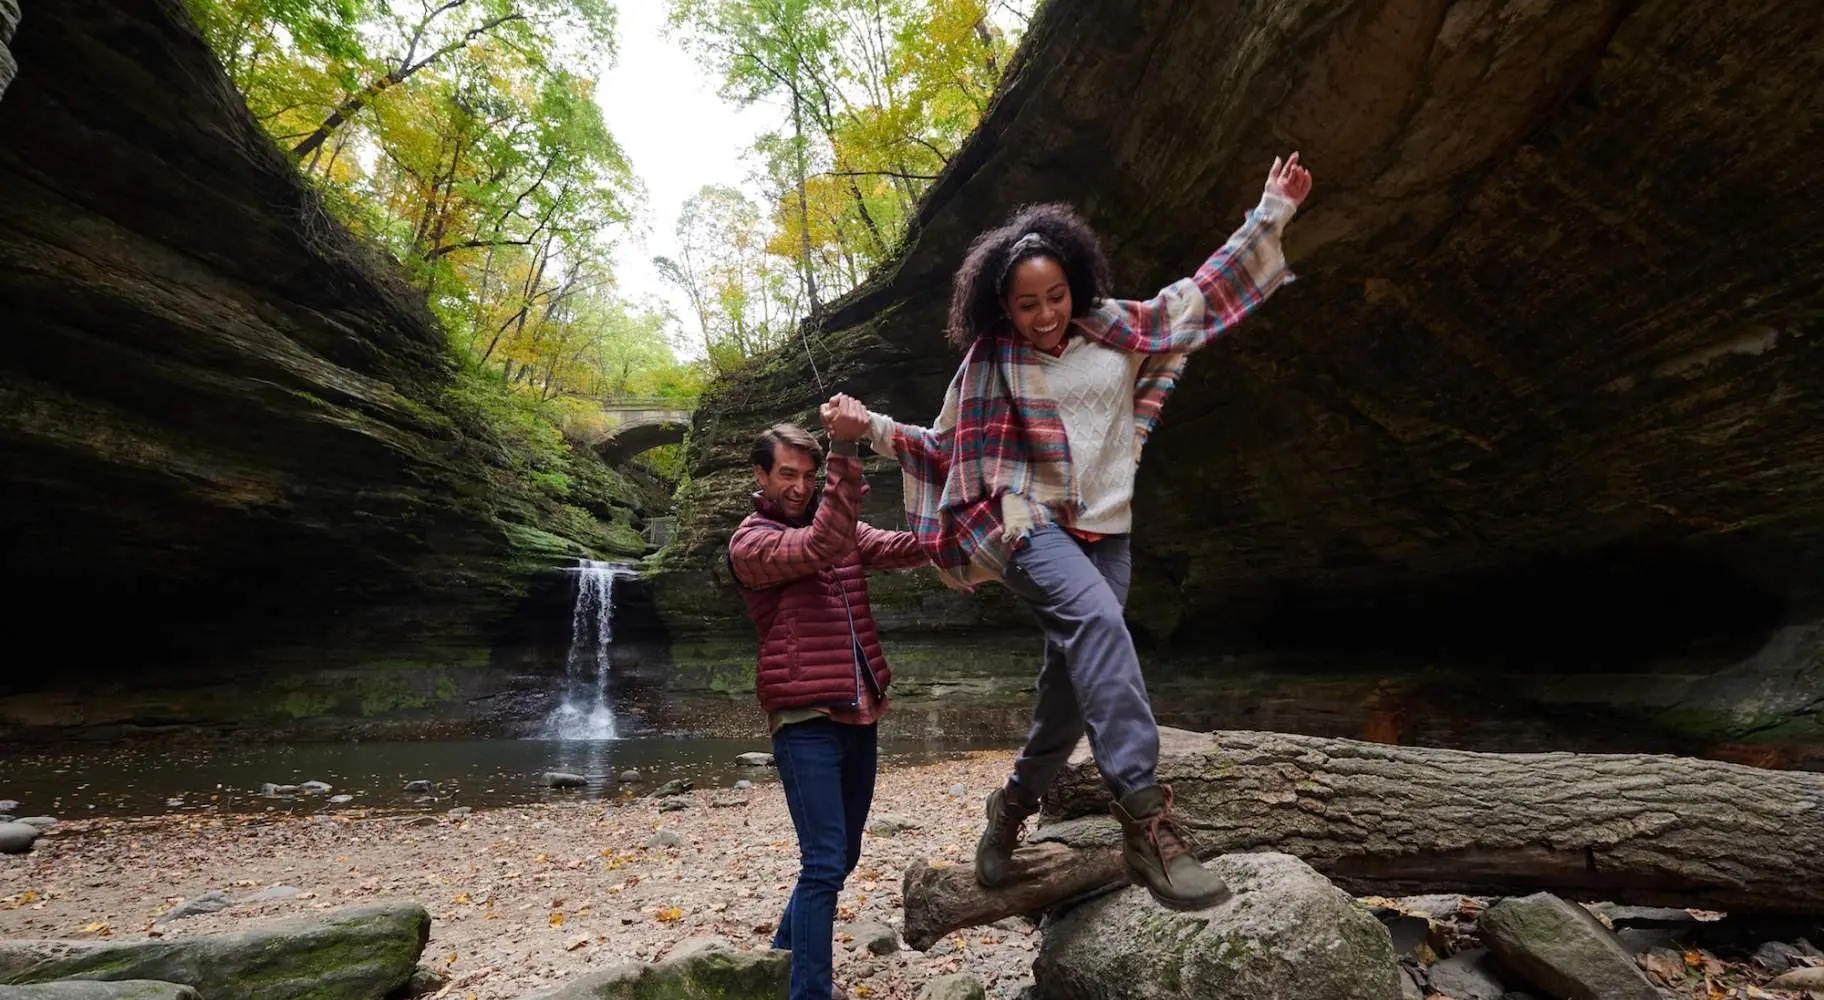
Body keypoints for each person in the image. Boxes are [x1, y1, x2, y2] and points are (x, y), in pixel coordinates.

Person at [835, 153, 1314, 910]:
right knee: (1097, 624)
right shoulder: (985, 367)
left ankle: (1010, 810)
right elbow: (943, 447)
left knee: (1068, 688)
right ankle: (1148, 821)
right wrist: (872, 429)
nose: (1045, 314)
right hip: (1024, 524)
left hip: (1107, 531)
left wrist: (1270, 213)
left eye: (1055, 296)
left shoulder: (1118, 329)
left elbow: (1200, 296)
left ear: (1075, 286)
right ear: (1003, 307)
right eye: (1027, 305)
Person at [726, 399, 931, 1000]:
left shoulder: (832, 525)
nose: (800, 486)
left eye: (809, 475)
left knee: (842, 855)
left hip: (858, 709)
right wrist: (845, 447)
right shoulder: (752, 542)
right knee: (821, 861)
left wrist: (964, 528)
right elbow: (819, 546)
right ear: (761, 476)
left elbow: (896, 548)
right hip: (803, 718)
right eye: (787, 474)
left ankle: (782, 956)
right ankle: (808, 991)